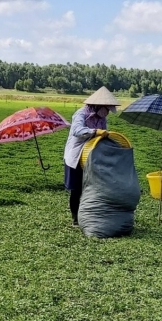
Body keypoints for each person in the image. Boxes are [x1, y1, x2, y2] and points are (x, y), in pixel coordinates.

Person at [63, 86, 119, 225]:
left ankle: (88, 215)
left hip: (91, 155)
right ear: (98, 105)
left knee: (90, 186)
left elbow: (103, 133)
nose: (107, 113)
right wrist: (95, 132)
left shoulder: (101, 119)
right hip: (75, 156)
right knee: (76, 189)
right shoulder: (81, 114)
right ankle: (75, 218)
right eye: (106, 109)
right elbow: (77, 130)